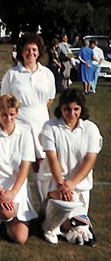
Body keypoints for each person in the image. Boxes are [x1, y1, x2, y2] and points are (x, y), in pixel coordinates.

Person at [0, 33, 56, 211]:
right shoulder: (12, 74)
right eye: (27, 50)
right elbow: (6, 100)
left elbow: (49, 99)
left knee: (41, 165)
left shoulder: (47, 74)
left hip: (41, 122)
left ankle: (44, 206)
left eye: (34, 49)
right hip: (19, 123)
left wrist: (37, 112)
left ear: (39, 52)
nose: (30, 53)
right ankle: (21, 207)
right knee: (20, 164)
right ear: (21, 52)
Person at [40, 88, 102, 246]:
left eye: (76, 109)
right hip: (55, 183)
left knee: (79, 227)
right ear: (61, 108)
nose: (71, 113)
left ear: (82, 109)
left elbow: (90, 159)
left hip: (79, 186)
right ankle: (49, 227)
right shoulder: (50, 127)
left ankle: (73, 226)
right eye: (67, 109)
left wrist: (72, 184)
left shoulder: (91, 129)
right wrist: (62, 184)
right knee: (62, 208)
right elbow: (52, 158)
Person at [0, 94, 38, 244]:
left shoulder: (25, 134)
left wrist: (12, 192)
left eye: (12, 114)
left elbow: (25, 166)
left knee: (20, 238)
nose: (8, 118)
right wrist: (0, 192)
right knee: (6, 211)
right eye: (4, 115)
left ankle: (6, 217)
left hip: (17, 187)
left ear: (17, 113)